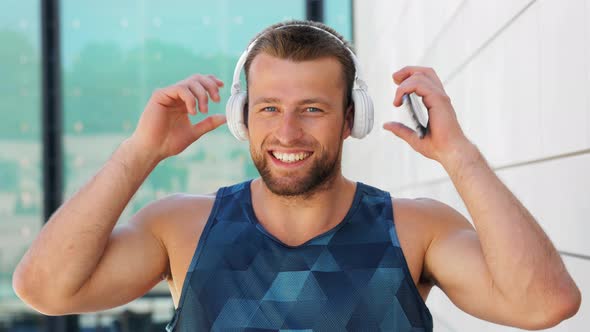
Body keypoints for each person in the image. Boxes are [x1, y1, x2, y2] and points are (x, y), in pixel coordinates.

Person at [13, 20, 580, 331]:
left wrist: (459, 155)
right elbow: (44, 289)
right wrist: (138, 153)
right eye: (267, 108)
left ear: (351, 119)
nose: (286, 132)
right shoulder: (182, 229)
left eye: (311, 108)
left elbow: (543, 305)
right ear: (241, 116)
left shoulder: (414, 231)